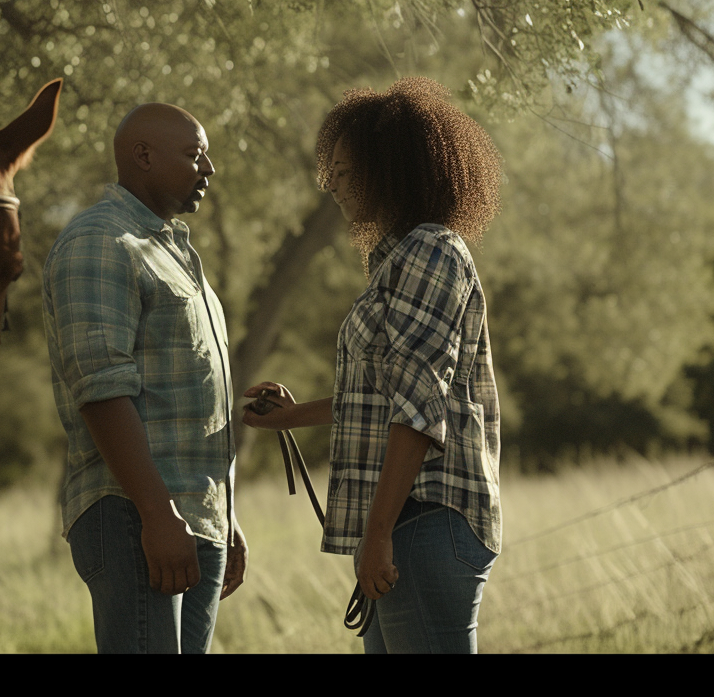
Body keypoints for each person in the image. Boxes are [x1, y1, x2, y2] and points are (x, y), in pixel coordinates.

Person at [242, 78, 503, 654]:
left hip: (422, 520)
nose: (329, 183)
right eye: (328, 171)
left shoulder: (430, 252)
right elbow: (387, 394)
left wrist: (378, 533)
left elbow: (416, 408)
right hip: (405, 521)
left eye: (343, 169)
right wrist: (291, 417)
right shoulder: (397, 259)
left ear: (390, 168)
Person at [42, 102, 245, 654]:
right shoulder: (101, 241)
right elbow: (102, 390)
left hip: (190, 518)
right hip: (135, 515)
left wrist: (225, 516)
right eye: (195, 155)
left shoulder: (173, 251)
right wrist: (158, 514)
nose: (209, 170)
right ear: (143, 156)